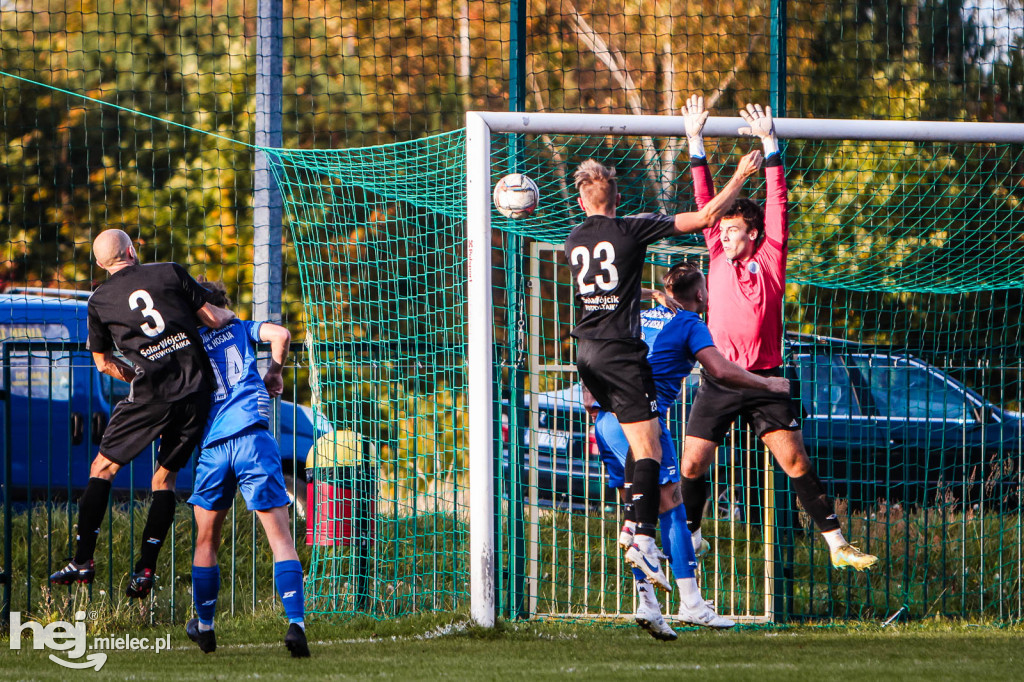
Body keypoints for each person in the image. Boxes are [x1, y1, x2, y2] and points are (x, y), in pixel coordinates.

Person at [677, 95, 878, 571]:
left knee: (797, 464)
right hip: (721, 379)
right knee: (691, 465)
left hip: (766, 380)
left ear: (752, 233)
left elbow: (778, 202)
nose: (723, 235)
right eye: (721, 231)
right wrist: (694, 141)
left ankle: (837, 545)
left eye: (732, 230)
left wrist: (771, 145)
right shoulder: (715, 252)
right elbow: (705, 200)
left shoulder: (770, 258)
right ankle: (693, 537)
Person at [565, 151, 762, 592]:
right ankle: (642, 539)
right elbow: (708, 215)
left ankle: (634, 542)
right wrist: (740, 175)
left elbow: (617, 279)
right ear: (618, 197)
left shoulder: (573, 238)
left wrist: (651, 289)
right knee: (651, 450)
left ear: (581, 202)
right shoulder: (631, 227)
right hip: (620, 354)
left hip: (586, 356)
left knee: (636, 451)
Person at [593, 262, 790, 638]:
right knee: (673, 506)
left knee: (638, 510)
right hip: (643, 423)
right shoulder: (692, 325)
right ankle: (692, 604)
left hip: (606, 422)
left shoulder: (643, 314)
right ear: (701, 295)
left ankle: (648, 603)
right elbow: (720, 370)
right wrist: (769, 386)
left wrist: (654, 296)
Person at [49, 229, 235, 597]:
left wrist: (133, 371)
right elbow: (214, 318)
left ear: (102, 265)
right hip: (196, 392)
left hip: (150, 395)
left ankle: (83, 560)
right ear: (133, 251)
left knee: (102, 469)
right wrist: (233, 315)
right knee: (163, 480)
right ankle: (145, 570)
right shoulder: (170, 271)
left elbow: (102, 363)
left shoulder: (100, 300)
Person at [185, 281, 309, 658]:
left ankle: (205, 627)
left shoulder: (188, 343)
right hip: (253, 440)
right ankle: (296, 625)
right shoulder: (240, 327)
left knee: (207, 541)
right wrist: (274, 370)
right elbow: (282, 333)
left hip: (214, 447)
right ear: (223, 306)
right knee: (281, 540)